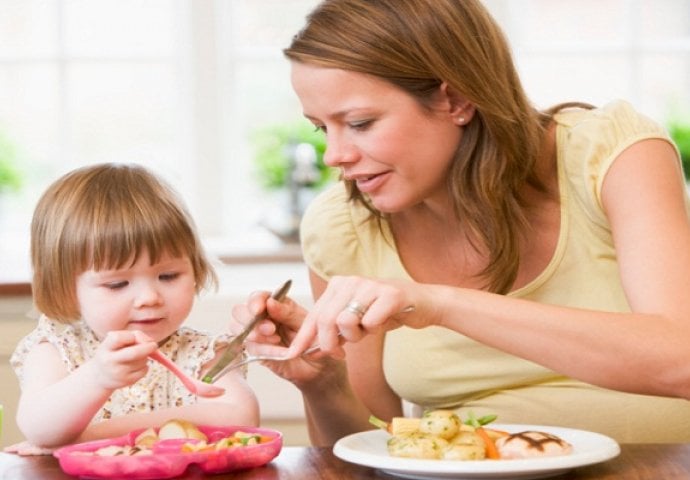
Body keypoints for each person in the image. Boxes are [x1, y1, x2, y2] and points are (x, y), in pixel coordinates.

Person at [233, 0, 690, 446]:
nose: (335, 155)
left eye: (360, 123)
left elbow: (680, 359)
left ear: (455, 100)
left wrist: (437, 304)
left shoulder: (610, 154)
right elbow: (369, 452)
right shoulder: (344, 227)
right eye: (321, 128)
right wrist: (324, 384)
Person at [6, 163, 258, 455]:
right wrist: (98, 378)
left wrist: (88, 437)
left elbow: (241, 417)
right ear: (66, 288)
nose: (149, 297)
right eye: (117, 284)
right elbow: (39, 429)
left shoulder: (203, 354)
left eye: (168, 276)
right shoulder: (58, 351)